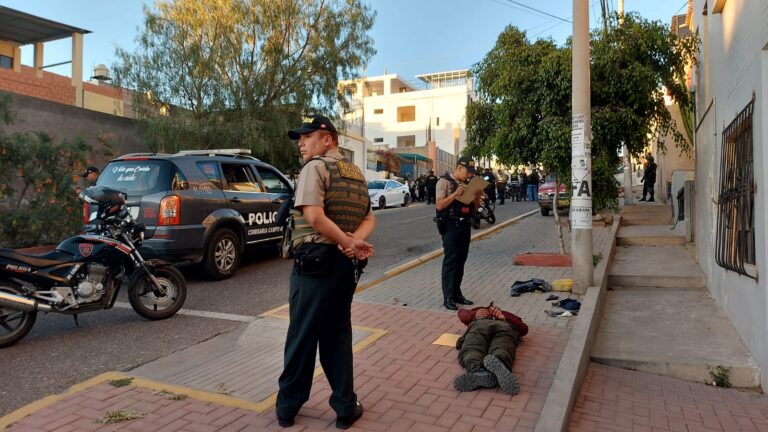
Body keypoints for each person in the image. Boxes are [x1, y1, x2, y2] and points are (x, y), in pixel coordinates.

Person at [277, 114, 376, 430]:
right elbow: (370, 218)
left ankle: (287, 408)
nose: (301, 144)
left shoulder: (315, 168)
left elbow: (314, 217)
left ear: (327, 139)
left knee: (302, 335)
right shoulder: (355, 173)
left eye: (306, 137)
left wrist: (347, 241)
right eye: (300, 139)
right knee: (337, 335)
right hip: (344, 268)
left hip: (314, 264)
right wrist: (353, 243)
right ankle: (345, 407)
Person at [435, 157, 483, 310]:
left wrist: (477, 197)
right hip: (450, 226)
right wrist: (455, 194)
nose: (470, 175)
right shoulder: (444, 182)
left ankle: (457, 294)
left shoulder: (468, 184)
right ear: (459, 168)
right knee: (451, 261)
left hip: (465, 225)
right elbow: (440, 204)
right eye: (468, 172)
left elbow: (475, 208)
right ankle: (448, 297)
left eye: (471, 173)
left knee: (461, 260)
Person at [452, 303, 528, 395]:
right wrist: (475, 314)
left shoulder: (507, 314)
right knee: (475, 344)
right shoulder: (478, 310)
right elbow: (462, 314)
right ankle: (491, 369)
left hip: (504, 325)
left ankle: (486, 369)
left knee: (502, 344)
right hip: (480, 324)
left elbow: (524, 329)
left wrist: (504, 317)